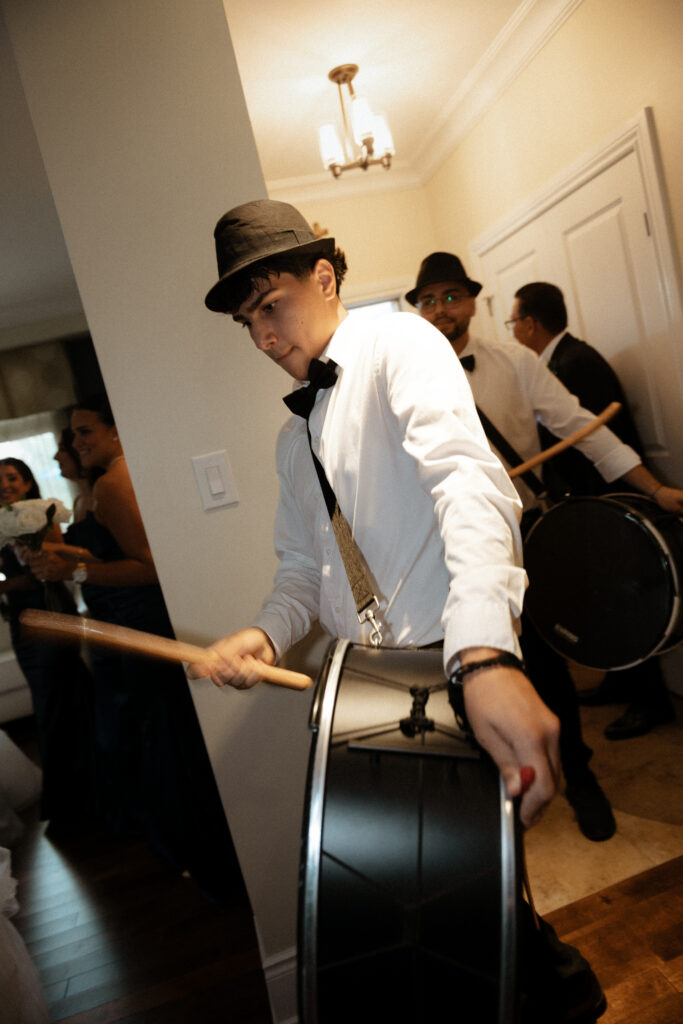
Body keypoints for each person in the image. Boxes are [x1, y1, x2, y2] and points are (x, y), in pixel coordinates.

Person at [407, 252, 683, 841]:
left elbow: (585, 428)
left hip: (524, 540)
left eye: (451, 295)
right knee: (474, 672)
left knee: (550, 667)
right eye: (428, 299)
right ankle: (496, 797)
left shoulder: (515, 362)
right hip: (449, 552)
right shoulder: (403, 379)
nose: (440, 309)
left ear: (472, 301)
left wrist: (655, 488)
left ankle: (580, 776)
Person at [27, 399, 241, 901]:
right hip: (131, 625)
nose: (76, 443)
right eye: (72, 435)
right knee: (158, 737)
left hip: (140, 624)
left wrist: (74, 572)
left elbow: (147, 567)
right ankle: (189, 845)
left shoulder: (113, 483)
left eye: (85, 432)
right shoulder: (114, 480)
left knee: (166, 738)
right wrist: (74, 555)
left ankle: (201, 852)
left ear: (116, 431)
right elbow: (119, 553)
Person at [511, 281, 676, 740]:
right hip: (587, 505)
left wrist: (646, 490)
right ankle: (620, 682)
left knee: (629, 602)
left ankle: (651, 702)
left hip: (607, 501)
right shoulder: (557, 361)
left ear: (530, 323)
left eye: (515, 320)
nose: (515, 330)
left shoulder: (576, 363)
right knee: (603, 603)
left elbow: (589, 437)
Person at [0, 458, 95, 833]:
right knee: (63, 699)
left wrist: (7, 585)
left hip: (51, 614)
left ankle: (72, 803)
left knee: (56, 704)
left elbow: (52, 567)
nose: (5, 485)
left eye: (11, 478)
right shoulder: (2, 522)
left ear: (26, 482)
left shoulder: (45, 514)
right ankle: (87, 793)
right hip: (24, 623)